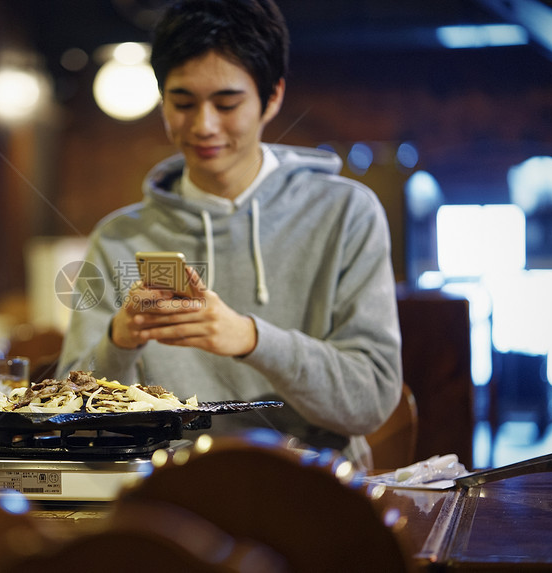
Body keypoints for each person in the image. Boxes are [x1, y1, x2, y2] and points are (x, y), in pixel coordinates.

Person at [56, 0, 402, 467]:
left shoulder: (345, 213)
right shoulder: (119, 236)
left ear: (272, 97)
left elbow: (371, 401)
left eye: (227, 103)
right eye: (182, 103)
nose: (203, 125)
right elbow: (63, 413)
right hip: (167, 487)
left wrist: (251, 339)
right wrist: (118, 341)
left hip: (312, 485)